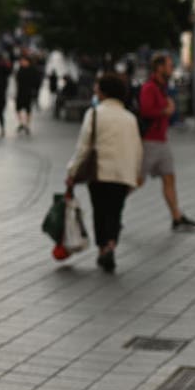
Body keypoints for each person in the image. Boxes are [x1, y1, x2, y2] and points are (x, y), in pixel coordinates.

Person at [66, 73, 144, 272]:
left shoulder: (94, 114)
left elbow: (83, 147)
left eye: (97, 87)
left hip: (100, 172)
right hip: (123, 173)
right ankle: (111, 244)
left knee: (100, 211)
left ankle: (103, 249)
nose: (95, 90)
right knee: (115, 211)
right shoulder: (130, 118)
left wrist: (72, 171)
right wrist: (136, 173)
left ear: (104, 92)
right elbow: (137, 147)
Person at [138, 53, 195, 231]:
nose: (171, 69)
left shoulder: (161, 87)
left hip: (161, 141)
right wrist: (166, 110)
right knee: (137, 181)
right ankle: (114, 211)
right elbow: (146, 110)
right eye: (169, 66)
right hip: (149, 142)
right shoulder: (149, 87)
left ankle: (176, 217)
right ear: (159, 68)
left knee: (169, 177)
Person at [14, 56, 42, 134]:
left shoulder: (33, 70)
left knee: (28, 109)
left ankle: (27, 125)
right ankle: (21, 124)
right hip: (20, 92)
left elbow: (37, 81)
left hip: (28, 92)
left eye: (23, 61)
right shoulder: (20, 69)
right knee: (18, 108)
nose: (22, 62)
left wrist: (35, 91)